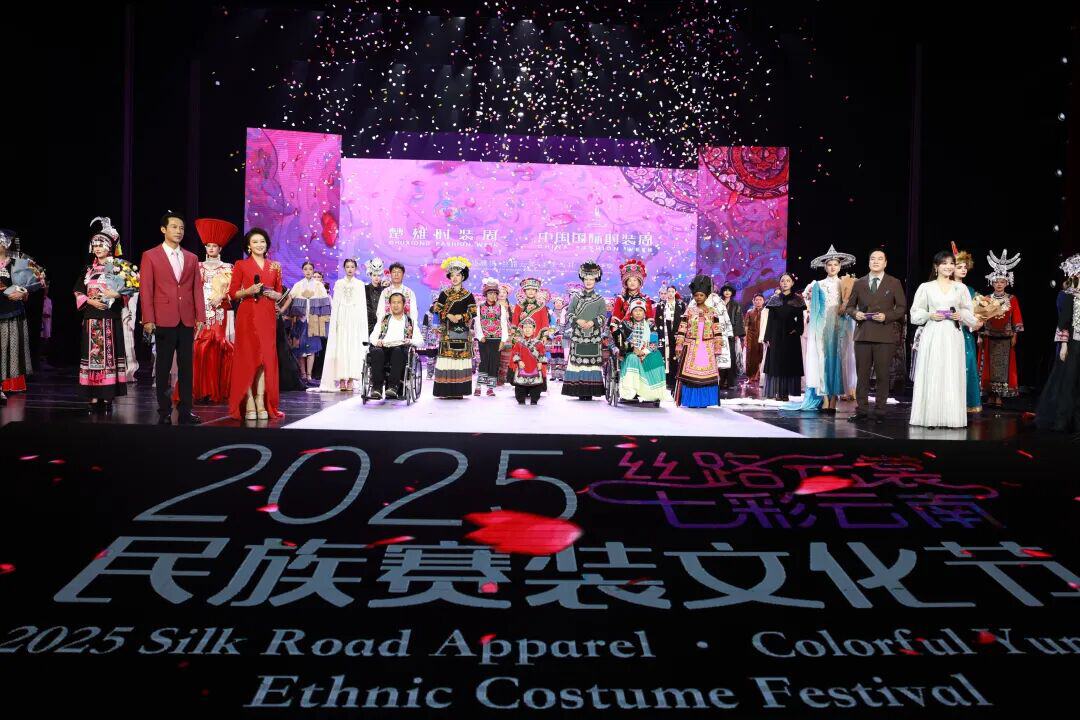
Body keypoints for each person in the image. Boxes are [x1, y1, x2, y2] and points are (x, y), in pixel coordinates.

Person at [139, 212, 205, 425]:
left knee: (186, 367)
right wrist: (148, 318)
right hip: (163, 318)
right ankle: (164, 410)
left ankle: (186, 410)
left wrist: (201, 316)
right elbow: (146, 289)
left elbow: (197, 289)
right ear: (163, 229)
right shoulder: (151, 255)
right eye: (174, 227)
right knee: (163, 367)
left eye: (182, 228)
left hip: (187, 319)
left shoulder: (191, 257)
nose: (179, 231)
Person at [909, 251, 977, 428]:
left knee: (951, 373)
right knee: (933, 371)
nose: (949, 266)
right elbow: (915, 313)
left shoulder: (960, 288)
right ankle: (930, 417)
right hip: (933, 333)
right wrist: (930, 315)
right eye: (944, 263)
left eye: (951, 263)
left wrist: (960, 314)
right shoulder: (926, 287)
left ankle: (951, 417)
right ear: (936, 266)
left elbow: (969, 313)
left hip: (953, 335)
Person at [843, 249, 908, 422]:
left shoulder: (894, 282)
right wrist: (855, 313)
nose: (876, 261)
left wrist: (887, 316)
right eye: (873, 259)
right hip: (863, 334)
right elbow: (849, 307)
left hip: (884, 335)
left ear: (885, 263)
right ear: (869, 262)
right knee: (862, 375)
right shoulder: (859, 282)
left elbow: (901, 308)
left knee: (882, 375)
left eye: (880, 259)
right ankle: (862, 410)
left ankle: (880, 411)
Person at [227, 228, 285, 421]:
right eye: (255, 242)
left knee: (264, 360)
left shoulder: (275, 266)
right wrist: (248, 291)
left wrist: (276, 295)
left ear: (267, 244)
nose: (260, 245)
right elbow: (233, 293)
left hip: (267, 317)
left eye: (262, 241)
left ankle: (261, 401)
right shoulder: (241, 265)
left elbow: (279, 292)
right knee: (248, 359)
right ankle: (249, 401)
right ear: (248, 246)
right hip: (248, 315)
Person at [74, 217, 129, 414]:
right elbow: (78, 291)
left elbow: (127, 291)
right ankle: (93, 395)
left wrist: (116, 294)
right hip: (92, 317)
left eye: (101, 245)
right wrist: (91, 301)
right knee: (92, 357)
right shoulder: (88, 269)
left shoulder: (118, 268)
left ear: (109, 247)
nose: (97, 249)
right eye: (95, 245)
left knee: (109, 358)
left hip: (109, 317)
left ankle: (107, 396)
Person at [796, 245, 858, 413]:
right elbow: (815, 310)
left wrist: (846, 310)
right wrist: (815, 331)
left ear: (840, 266)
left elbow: (852, 308)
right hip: (822, 327)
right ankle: (824, 397)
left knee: (838, 360)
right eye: (829, 265)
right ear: (825, 267)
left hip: (840, 326)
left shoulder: (846, 285)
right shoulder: (818, 285)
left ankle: (834, 398)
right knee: (822, 360)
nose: (832, 267)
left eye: (835, 264)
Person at [188, 217, 237, 402]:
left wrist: (223, 296)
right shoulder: (198, 266)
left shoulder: (228, 268)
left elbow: (234, 290)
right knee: (200, 346)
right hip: (200, 311)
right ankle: (200, 389)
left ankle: (217, 389)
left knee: (217, 343)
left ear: (220, 248)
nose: (210, 248)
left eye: (214, 246)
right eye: (208, 245)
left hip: (219, 311)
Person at [1035, 254, 1080, 433]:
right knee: (1068, 382)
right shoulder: (1069, 296)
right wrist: (1064, 345)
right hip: (1073, 344)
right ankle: (1062, 420)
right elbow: (1063, 322)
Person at [674, 275, 728, 408]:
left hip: (707, 347)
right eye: (696, 295)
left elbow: (717, 330)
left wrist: (718, 346)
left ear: (706, 296)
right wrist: (679, 344)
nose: (698, 297)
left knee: (707, 375)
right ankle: (691, 401)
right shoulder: (689, 311)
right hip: (691, 346)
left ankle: (704, 401)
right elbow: (682, 328)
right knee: (690, 374)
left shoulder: (712, 311)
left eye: (701, 295)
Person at [979, 249, 1024, 407]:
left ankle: (999, 395)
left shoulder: (1012, 299)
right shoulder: (987, 298)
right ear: (992, 283)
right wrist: (979, 336)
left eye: (1002, 282)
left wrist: (1015, 335)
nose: (999, 284)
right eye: (996, 282)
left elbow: (1016, 318)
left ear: (1007, 283)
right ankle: (990, 394)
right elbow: (981, 318)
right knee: (988, 367)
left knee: (1003, 367)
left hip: (1005, 338)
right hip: (989, 337)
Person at [318, 258, 369, 393]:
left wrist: (360, 322)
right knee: (341, 347)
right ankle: (341, 379)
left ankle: (351, 379)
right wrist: (335, 321)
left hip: (354, 319)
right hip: (341, 319)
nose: (350, 269)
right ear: (344, 268)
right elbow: (336, 304)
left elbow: (362, 305)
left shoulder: (360, 284)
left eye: (352, 267)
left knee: (352, 348)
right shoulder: (339, 283)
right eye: (347, 267)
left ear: (356, 269)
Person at [432, 256, 477, 398]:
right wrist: (448, 315)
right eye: (452, 275)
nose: (455, 278)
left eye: (458, 275)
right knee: (447, 360)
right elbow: (437, 311)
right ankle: (445, 391)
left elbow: (473, 312)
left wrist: (461, 317)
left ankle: (459, 391)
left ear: (463, 277)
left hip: (462, 333)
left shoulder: (468, 295)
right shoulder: (444, 294)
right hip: (446, 333)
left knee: (460, 362)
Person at [562, 261, 608, 400]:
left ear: (596, 280)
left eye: (591, 279)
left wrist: (593, 322)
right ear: (582, 279)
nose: (588, 281)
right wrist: (578, 321)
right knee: (578, 363)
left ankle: (590, 391)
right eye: (586, 279)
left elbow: (603, 317)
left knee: (591, 363)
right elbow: (569, 313)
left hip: (593, 335)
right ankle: (578, 390)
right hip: (578, 334)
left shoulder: (600, 299)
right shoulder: (576, 297)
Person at [368, 291, 423, 400]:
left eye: (398, 302)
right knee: (376, 351)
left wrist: (410, 340)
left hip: (400, 349)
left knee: (398, 351)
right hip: (384, 348)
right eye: (393, 302)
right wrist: (377, 341)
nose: (396, 305)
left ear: (403, 305)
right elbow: (372, 337)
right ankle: (377, 388)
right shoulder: (383, 320)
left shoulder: (410, 322)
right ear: (390, 304)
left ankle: (393, 387)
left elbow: (420, 341)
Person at [762, 273, 806, 402]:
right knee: (776, 364)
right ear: (779, 283)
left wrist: (797, 330)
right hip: (776, 335)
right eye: (782, 281)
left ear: (792, 283)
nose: (785, 283)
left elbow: (800, 319)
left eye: (788, 281)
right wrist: (768, 337)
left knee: (789, 364)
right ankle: (778, 392)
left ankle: (786, 392)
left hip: (791, 336)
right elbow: (770, 320)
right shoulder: (774, 299)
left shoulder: (798, 299)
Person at [951, 243, 984, 414]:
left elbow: (976, 312)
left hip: (966, 333)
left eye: (965, 267)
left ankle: (969, 402)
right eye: (959, 267)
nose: (963, 270)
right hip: (951, 330)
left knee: (969, 365)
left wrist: (979, 321)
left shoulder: (970, 290)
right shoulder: (946, 287)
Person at [286, 261, 328, 386]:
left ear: (313, 270)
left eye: (310, 269)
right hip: (301, 320)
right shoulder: (298, 285)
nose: (308, 271)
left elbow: (324, 303)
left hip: (313, 320)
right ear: (302, 271)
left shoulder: (319, 285)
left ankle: (309, 374)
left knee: (312, 349)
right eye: (305, 269)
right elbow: (290, 298)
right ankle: (303, 374)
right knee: (300, 349)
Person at [618, 299, 666, 403]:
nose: (638, 313)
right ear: (631, 312)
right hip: (630, 353)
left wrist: (644, 352)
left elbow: (654, 343)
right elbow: (620, 343)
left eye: (640, 310)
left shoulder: (651, 325)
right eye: (635, 310)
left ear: (644, 312)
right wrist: (632, 348)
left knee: (656, 356)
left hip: (646, 352)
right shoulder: (624, 325)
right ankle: (630, 393)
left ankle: (653, 394)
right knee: (633, 358)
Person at [474, 277, 509, 396]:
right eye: (490, 293)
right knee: (484, 362)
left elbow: (503, 324)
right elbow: (477, 323)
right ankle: (478, 386)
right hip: (484, 339)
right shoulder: (479, 307)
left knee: (494, 363)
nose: (492, 296)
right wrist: (480, 336)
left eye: (495, 293)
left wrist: (503, 340)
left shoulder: (501, 308)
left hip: (497, 339)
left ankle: (490, 388)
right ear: (485, 294)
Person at [713, 284, 745, 394]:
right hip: (719, 333)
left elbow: (739, 319)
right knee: (720, 357)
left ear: (732, 293)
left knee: (731, 357)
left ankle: (731, 382)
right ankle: (721, 382)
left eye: (729, 290)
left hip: (730, 335)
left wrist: (736, 334)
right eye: (725, 290)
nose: (727, 292)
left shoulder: (736, 305)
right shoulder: (718, 303)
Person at [610, 259, 655, 335]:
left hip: (642, 333)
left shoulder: (645, 299)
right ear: (626, 283)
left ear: (639, 282)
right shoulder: (620, 298)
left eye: (635, 280)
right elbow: (616, 316)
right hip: (623, 332)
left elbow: (650, 318)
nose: (632, 283)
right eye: (629, 280)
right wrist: (616, 333)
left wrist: (649, 334)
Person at [655, 285, 686, 392]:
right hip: (664, 332)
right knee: (665, 355)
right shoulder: (661, 305)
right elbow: (657, 320)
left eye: (672, 291)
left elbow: (684, 320)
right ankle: (666, 380)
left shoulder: (681, 304)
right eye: (668, 291)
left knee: (675, 355)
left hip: (677, 332)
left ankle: (676, 380)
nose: (670, 293)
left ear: (675, 292)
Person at [511, 316, 547, 405]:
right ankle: (521, 400)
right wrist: (519, 361)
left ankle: (534, 400)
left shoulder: (538, 343)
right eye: (525, 327)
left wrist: (540, 362)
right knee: (520, 386)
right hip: (522, 369)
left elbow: (542, 354)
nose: (527, 330)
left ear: (534, 329)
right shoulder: (519, 343)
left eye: (530, 327)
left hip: (534, 369)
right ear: (522, 329)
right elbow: (515, 353)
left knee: (536, 387)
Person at [511, 277, 551, 343]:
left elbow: (545, 322)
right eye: (528, 289)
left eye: (533, 289)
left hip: (537, 336)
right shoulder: (519, 305)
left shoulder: (541, 306)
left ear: (536, 291)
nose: (531, 291)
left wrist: (544, 336)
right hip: (521, 336)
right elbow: (515, 321)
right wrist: (513, 333)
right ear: (524, 291)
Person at [743, 293, 765, 385]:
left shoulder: (766, 311)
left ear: (763, 301)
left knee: (762, 356)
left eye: (760, 300)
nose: (758, 301)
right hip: (751, 337)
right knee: (750, 357)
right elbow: (746, 326)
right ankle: (750, 376)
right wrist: (745, 338)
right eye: (756, 300)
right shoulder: (749, 312)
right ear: (753, 301)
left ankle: (759, 375)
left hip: (763, 336)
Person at [548, 294, 569, 382]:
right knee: (553, 356)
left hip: (563, 337)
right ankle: (553, 375)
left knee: (562, 356)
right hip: (553, 337)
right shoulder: (550, 313)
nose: (558, 304)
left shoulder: (566, 313)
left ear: (563, 304)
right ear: (554, 304)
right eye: (556, 303)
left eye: (560, 303)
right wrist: (551, 334)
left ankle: (561, 375)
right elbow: (549, 324)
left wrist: (564, 333)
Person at [363, 257, 387, 331]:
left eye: (379, 275)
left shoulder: (385, 290)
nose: (377, 277)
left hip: (381, 323)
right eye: (374, 275)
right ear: (370, 275)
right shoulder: (364, 289)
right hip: (367, 324)